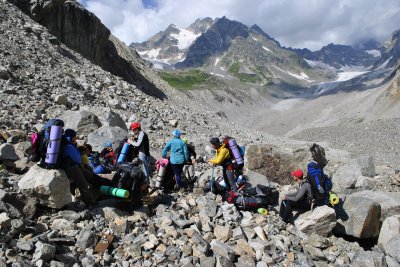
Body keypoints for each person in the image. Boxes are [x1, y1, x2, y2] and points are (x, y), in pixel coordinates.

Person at [61, 129, 112, 204]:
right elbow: (78, 160)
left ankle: (108, 184)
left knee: (91, 176)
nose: (76, 139)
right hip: (73, 168)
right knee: (83, 185)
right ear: (70, 137)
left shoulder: (65, 144)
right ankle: (89, 203)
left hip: (72, 167)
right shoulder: (69, 147)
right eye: (75, 137)